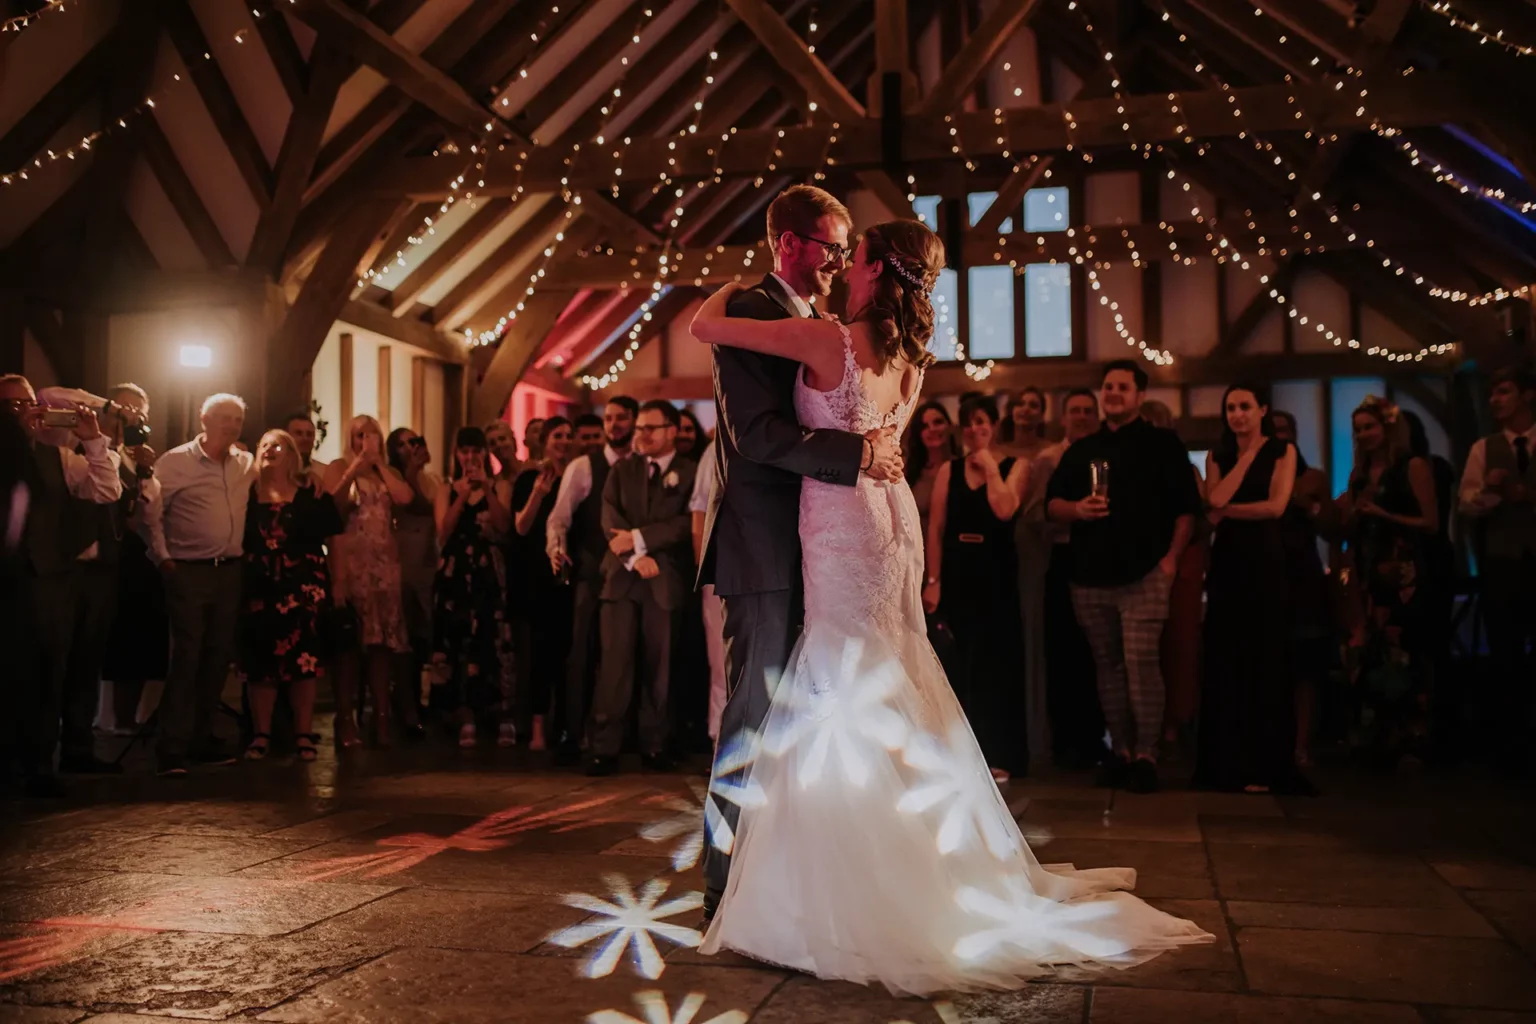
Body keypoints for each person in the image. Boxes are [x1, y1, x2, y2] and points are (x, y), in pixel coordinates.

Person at [688, 215, 1209, 990]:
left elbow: (705, 325)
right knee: (891, 674)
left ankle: (841, 882)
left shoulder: (828, 338)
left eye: (850, 254)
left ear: (871, 269)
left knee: (839, 679)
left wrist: (733, 281)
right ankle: (914, 851)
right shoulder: (913, 354)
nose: (840, 263)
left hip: (844, 520)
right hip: (890, 517)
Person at [691, 186, 899, 922]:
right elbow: (757, 435)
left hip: (818, 546)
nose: (839, 261)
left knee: (805, 717)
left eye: (847, 250)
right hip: (764, 546)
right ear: (789, 243)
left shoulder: (820, 322)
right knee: (752, 714)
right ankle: (721, 878)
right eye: (831, 246)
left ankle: (782, 875)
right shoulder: (749, 311)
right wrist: (858, 454)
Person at [1047, 362, 1201, 794]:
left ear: (1138, 395)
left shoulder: (1164, 444)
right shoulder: (1082, 448)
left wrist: (1170, 561)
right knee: (1108, 667)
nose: (1113, 393)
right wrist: (1078, 510)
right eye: (1108, 386)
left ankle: (1148, 755)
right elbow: (1052, 504)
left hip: (1146, 574)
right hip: (1089, 577)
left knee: (1141, 663)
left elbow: (1187, 510)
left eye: (1122, 387)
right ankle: (1122, 752)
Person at [2, 375, 121, 796]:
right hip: (8, 581)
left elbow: (107, 490)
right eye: (12, 406)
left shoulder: (58, 458)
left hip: (48, 581)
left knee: (47, 672)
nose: (23, 411)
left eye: (27, 403)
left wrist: (92, 441)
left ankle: (38, 764)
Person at [1191, 384, 1312, 794]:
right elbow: (1216, 500)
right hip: (1228, 562)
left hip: (1266, 558)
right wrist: (1245, 459)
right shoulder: (1218, 455)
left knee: (1267, 656)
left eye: (1245, 406)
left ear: (1262, 409)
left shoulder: (1284, 451)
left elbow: (1276, 507)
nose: (1237, 414)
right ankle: (1230, 764)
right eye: (1230, 408)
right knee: (1228, 656)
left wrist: (1228, 510)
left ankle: (1269, 763)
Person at [142, 393, 254, 777]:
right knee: (187, 655)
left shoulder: (245, 462)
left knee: (217, 656)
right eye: (223, 417)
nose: (231, 425)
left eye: (237, 419)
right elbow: (150, 512)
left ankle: (201, 739)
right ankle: (171, 747)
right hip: (188, 570)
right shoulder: (175, 462)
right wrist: (163, 557)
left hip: (229, 571)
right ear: (203, 419)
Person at [587, 401, 698, 775]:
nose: (642, 435)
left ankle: (656, 744)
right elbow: (609, 520)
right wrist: (635, 557)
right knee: (614, 665)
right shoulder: (622, 470)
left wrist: (639, 538)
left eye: (651, 428)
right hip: (621, 578)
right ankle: (604, 748)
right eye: (640, 429)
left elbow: (687, 524)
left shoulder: (690, 472)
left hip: (664, 579)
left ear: (672, 431)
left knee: (660, 667)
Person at [923, 395, 1030, 782]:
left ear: (995, 425)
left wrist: (989, 467)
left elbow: (1005, 509)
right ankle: (959, 752)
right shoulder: (948, 471)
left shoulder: (1017, 466)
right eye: (968, 423)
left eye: (982, 422)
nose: (974, 430)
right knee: (958, 664)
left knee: (996, 665)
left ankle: (1000, 753)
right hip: (956, 572)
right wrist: (933, 581)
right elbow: (935, 528)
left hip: (996, 573)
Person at [1339, 396, 1439, 765]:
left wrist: (1384, 513)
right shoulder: (1360, 473)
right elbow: (1351, 524)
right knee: (1371, 650)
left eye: (1370, 427)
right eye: (1359, 429)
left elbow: (1430, 523)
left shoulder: (1411, 466)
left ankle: (1411, 735)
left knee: (1405, 649)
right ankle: (1377, 735)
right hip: (1368, 569)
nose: (1364, 435)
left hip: (1402, 569)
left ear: (1388, 428)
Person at [240, 429, 343, 762]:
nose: (271, 449)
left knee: (304, 661)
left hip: (303, 585)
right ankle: (261, 734)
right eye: (265, 444)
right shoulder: (246, 494)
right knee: (261, 661)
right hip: (261, 585)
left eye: (279, 445)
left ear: (292, 454)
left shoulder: (311, 493)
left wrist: (339, 583)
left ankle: (303, 733)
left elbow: (335, 539)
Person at [547, 396, 638, 762]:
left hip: (632, 576)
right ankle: (572, 732)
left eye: (621, 418)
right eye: (610, 417)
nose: (614, 424)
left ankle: (621, 736)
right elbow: (559, 517)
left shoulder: (641, 466)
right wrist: (556, 549)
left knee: (624, 657)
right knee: (581, 655)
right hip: (589, 573)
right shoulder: (584, 466)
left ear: (634, 421)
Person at [1457, 367, 1536, 775]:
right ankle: (1510, 746)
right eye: (1492, 393)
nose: (1494, 400)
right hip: (1502, 561)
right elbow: (1466, 502)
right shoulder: (1484, 449)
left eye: (1504, 391)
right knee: (1505, 651)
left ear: (1526, 395)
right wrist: (1490, 490)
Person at [323, 415, 416, 747]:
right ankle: (345, 719)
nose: (367, 440)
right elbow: (332, 504)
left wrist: (379, 468)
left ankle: (381, 717)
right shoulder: (338, 467)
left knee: (381, 646)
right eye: (360, 435)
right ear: (351, 439)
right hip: (352, 565)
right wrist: (356, 467)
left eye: (373, 434)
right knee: (349, 646)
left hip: (384, 568)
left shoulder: (385, 473)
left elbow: (405, 498)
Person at [1027, 388, 1106, 769]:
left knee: (1098, 652)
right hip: (1061, 555)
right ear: (1064, 418)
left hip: (1100, 558)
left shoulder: (1106, 456)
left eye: (1088, 411)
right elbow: (1036, 513)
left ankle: (1094, 738)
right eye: (1075, 410)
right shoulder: (1049, 459)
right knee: (1062, 651)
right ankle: (1065, 742)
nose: (1081, 416)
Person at [433, 427, 514, 747]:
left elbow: (504, 526)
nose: (470, 458)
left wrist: (487, 490)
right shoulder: (445, 489)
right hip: (455, 572)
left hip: (488, 572)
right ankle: (463, 713)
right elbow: (443, 533)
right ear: (456, 455)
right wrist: (465, 493)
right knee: (457, 642)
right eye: (464, 452)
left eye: (475, 451)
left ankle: (498, 713)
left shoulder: (502, 485)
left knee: (492, 642)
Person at [1270, 410, 1337, 767]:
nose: (1281, 437)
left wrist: (1309, 505)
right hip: (1267, 572)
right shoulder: (1257, 471)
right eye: (1275, 431)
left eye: (1286, 431)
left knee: (1305, 665)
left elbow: (1329, 527)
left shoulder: (1312, 476)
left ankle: (1301, 744)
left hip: (1303, 574)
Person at [1140, 399, 1206, 752]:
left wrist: (1174, 557)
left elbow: (1194, 513)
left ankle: (1176, 720)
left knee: (1180, 642)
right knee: (1149, 648)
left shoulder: (1182, 468)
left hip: (1181, 560)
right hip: (1144, 561)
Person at [511, 417, 575, 751]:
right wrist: (538, 492)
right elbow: (521, 527)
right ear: (545, 441)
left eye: (568, 435)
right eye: (557, 436)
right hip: (537, 574)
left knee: (568, 652)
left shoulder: (580, 477)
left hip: (570, 573)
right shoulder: (529, 480)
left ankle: (566, 726)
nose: (563, 441)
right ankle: (537, 727)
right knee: (538, 654)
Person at [385, 427, 435, 739]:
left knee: (422, 638)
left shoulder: (433, 478)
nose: (409, 448)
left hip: (426, 566)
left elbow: (433, 509)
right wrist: (412, 470)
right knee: (402, 640)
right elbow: (414, 503)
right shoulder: (392, 478)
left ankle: (419, 700)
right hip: (400, 565)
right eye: (401, 444)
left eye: (413, 440)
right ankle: (406, 708)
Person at [689, 438, 727, 742]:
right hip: (721, 568)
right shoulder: (714, 450)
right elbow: (699, 513)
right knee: (720, 660)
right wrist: (706, 570)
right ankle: (719, 740)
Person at [904, 400, 957, 542]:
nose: (932, 429)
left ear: (950, 426)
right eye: (924, 426)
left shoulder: (964, 467)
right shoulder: (909, 472)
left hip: (956, 550)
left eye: (938, 422)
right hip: (918, 548)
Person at [998, 386, 1051, 460]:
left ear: (1042, 416)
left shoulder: (1051, 452)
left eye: (1033, 405)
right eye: (1020, 404)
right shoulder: (998, 452)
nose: (1026, 409)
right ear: (1012, 411)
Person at [284, 411, 328, 484]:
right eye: (299, 433)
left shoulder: (325, 472)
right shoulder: (276, 470)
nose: (305, 438)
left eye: (309, 434)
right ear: (286, 437)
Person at [484, 419, 523, 485]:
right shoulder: (494, 483)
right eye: (492, 443)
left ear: (513, 441)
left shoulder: (531, 469)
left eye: (502, 439)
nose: (498, 445)